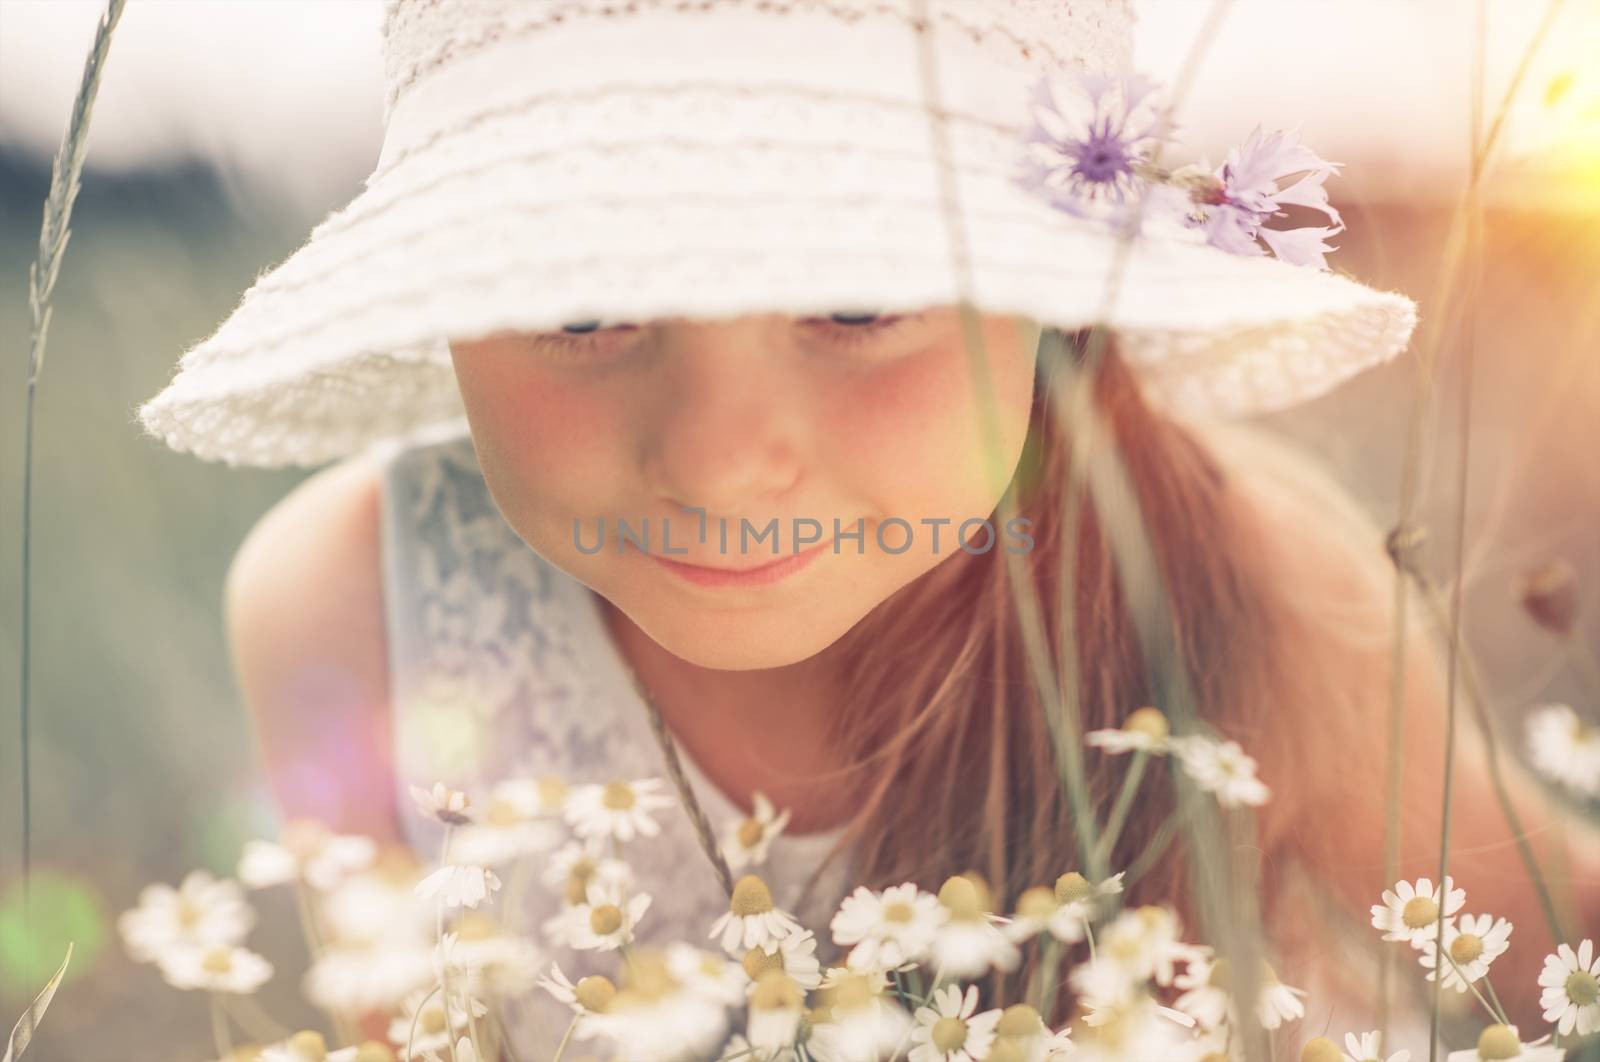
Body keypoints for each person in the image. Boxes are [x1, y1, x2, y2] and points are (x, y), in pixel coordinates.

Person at [137, 1, 1599, 1058]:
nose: (719, 457)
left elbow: (1562, 960)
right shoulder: (353, 603)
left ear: (1052, 295)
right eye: (581, 307)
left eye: (855, 300)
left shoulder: (1235, 592)